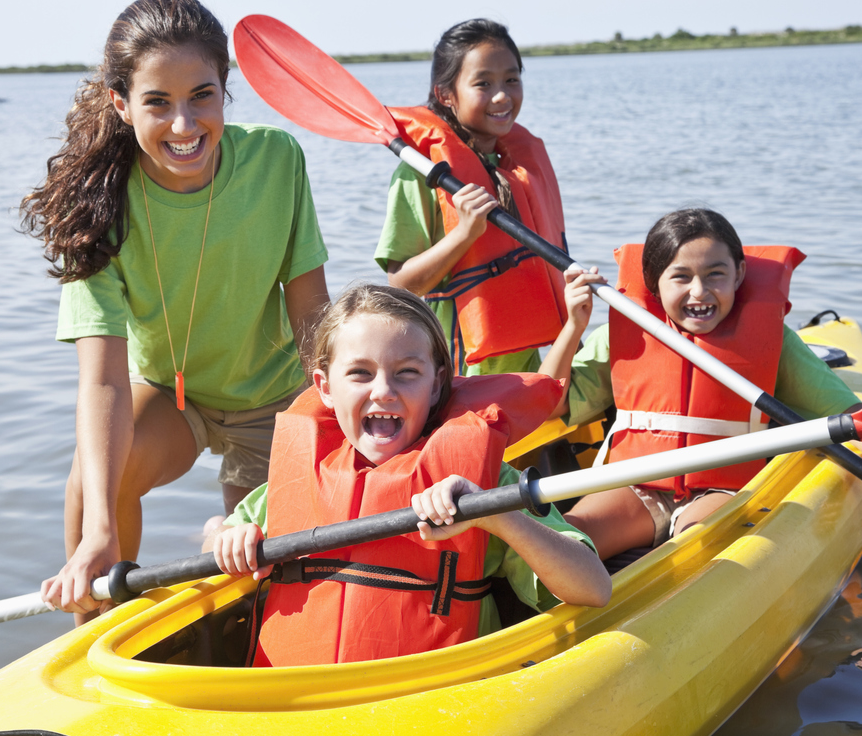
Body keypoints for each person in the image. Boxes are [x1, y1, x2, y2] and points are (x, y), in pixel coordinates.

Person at [22, 0, 330, 620]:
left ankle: (221, 535)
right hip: (172, 396)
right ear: (121, 103)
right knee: (93, 481)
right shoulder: (96, 205)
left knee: (253, 576)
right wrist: (98, 532)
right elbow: (104, 380)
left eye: (202, 96)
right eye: (157, 102)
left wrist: (331, 425)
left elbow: (313, 318)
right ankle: (92, 627)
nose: (184, 125)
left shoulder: (276, 160)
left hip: (274, 398)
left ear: (226, 91)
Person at [206, 284, 610, 667]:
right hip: (295, 699)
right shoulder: (290, 484)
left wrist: (494, 515)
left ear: (436, 386)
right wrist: (229, 537)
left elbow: (593, 588)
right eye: (360, 373)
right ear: (325, 388)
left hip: (427, 697)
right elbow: (224, 537)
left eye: (406, 373)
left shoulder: (482, 484)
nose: (383, 390)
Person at [538, 208, 862, 560]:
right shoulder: (619, 337)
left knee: (690, 549)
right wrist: (574, 326)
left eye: (715, 274)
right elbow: (550, 404)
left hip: (723, 489)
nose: (699, 291)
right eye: (681, 277)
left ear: (738, 274)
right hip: (635, 484)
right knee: (567, 539)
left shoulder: (774, 343)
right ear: (654, 282)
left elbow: (851, 415)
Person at [374, 19, 568, 376]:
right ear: (446, 94)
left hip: (523, 366)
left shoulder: (521, 168)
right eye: (483, 83)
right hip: (456, 370)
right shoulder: (420, 173)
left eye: (512, 79)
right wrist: (464, 233)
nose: (502, 96)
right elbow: (401, 284)